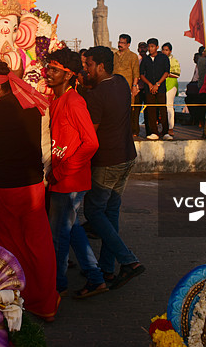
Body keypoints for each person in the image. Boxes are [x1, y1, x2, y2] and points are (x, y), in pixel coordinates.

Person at [0, 59, 59, 322]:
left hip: (5, 188)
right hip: (34, 186)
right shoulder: (31, 107)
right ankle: (46, 304)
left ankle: (11, 299)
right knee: (39, 245)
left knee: (4, 247)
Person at [43, 48, 106, 299]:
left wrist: (62, 171)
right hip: (61, 178)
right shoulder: (56, 99)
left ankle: (57, 286)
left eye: (54, 70)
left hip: (69, 180)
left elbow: (91, 143)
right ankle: (95, 277)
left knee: (59, 234)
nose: (48, 73)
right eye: (48, 68)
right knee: (70, 229)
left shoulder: (74, 101)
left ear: (68, 75)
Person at [82, 46, 144, 290]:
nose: (85, 69)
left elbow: (91, 134)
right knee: (110, 212)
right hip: (127, 155)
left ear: (100, 66)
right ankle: (107, 269)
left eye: (88, 65)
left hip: (107, 160)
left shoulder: (96, 95)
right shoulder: (120, 82)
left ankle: (128, 260)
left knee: (94, 212)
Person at [139, 38, 171, 140]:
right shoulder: (145, 59)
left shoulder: (163, 58)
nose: (150, 49)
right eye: (149, 47)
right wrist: (149, 84)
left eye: (152, 47)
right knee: (151, 110)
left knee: (163, 109)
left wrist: (158, 84)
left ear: (157, 47)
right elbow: (141, 74)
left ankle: (165, 132)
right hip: (149, 88)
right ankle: (154, 132)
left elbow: (166, 72)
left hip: (160, 88)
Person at [113, 34, 140, 135]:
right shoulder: (114, 55)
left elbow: (136, 73)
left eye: (123, 43)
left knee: (128, 110)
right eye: (119, 42)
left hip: (127, 87)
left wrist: (134, 86)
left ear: (128, 44)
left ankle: (129, 131)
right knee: (116, 109)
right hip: (115, 87)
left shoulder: (133, 56)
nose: (120, 44)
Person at [161, 42, 180, 136]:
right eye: (163, 50)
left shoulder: (174, 61)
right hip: (161, 85)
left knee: (169, 106)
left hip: (171, 85)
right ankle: (164, 127)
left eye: (166, 50)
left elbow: (177, 74)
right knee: (162, 107)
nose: (164, 52)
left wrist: (166, 74)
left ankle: (170, 128)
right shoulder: (159, 59)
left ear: (170, 51)